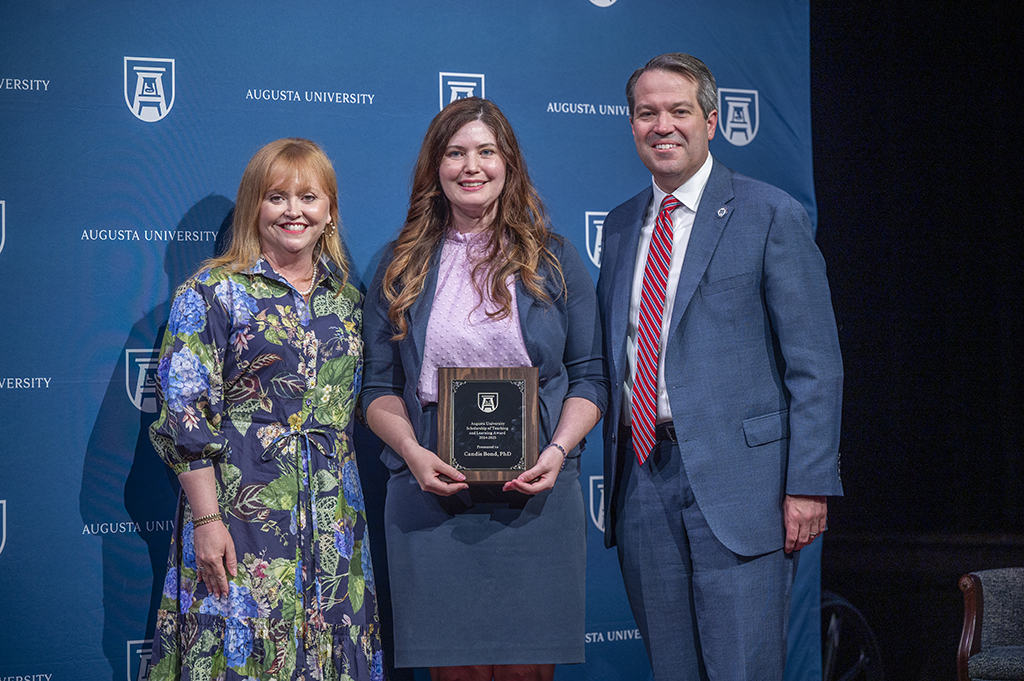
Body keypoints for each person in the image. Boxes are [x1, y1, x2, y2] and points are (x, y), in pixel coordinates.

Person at [597, 53, 844, 680]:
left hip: (744, 490)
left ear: (711, 120)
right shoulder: (623, 225)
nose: (663, 125)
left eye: (679, 111)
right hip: (644, 484)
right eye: (647, 113)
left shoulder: (770, 214)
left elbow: (816, 364)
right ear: (631, 126)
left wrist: (809, 482)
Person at [361, 97, 607, 681]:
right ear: (435, 167)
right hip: (431, 493)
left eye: (486, 152)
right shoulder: (401, 263)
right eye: (455, 153)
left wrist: (557, 451)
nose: (471, 166)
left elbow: (591, 377)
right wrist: (414, 455)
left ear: (508, 164)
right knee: (456, 673)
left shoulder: (555, 258)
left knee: (527, 673)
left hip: (537, 497)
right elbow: (377, 387)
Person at [148, 138, 385, 681]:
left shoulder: (349, 298)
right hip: (240, 510)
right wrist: (207, 521)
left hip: (335, 520)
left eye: (309, 197)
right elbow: (185, 412)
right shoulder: (212, 291)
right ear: (255, 204)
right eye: (277, 197)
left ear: (329, 211)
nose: (294, 210)